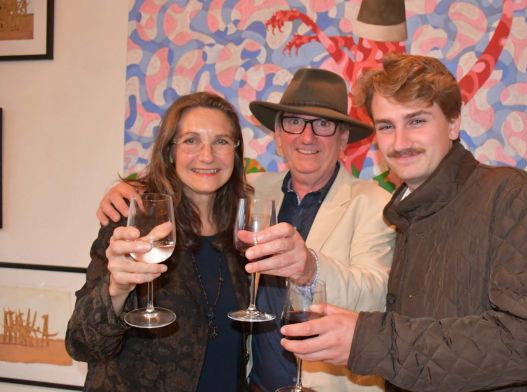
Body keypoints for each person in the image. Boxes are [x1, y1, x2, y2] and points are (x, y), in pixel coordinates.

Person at [280, 54, 527, 391]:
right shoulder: (408, 217)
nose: (400, 142)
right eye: (387, 126)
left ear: (453, 123)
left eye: (417, 121)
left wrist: (368, 339)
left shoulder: (511, 195)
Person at [96, 69, 395, 392]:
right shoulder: (249, 193)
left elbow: (376, 295)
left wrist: (310, 268)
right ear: (278, 136)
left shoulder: (377, 204)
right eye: (294, 122)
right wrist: (130, 188)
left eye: (323, 125)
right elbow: (196, 173)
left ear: (342, 138)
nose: (307, 137)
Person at [66, 92, 251, 391]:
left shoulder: (240, 235)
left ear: (236, 152)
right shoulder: (132, 223)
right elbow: (81, 343)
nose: (207, 155)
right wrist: (117, 289)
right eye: (191, 140)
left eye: (221, 141)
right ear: (170, 151)